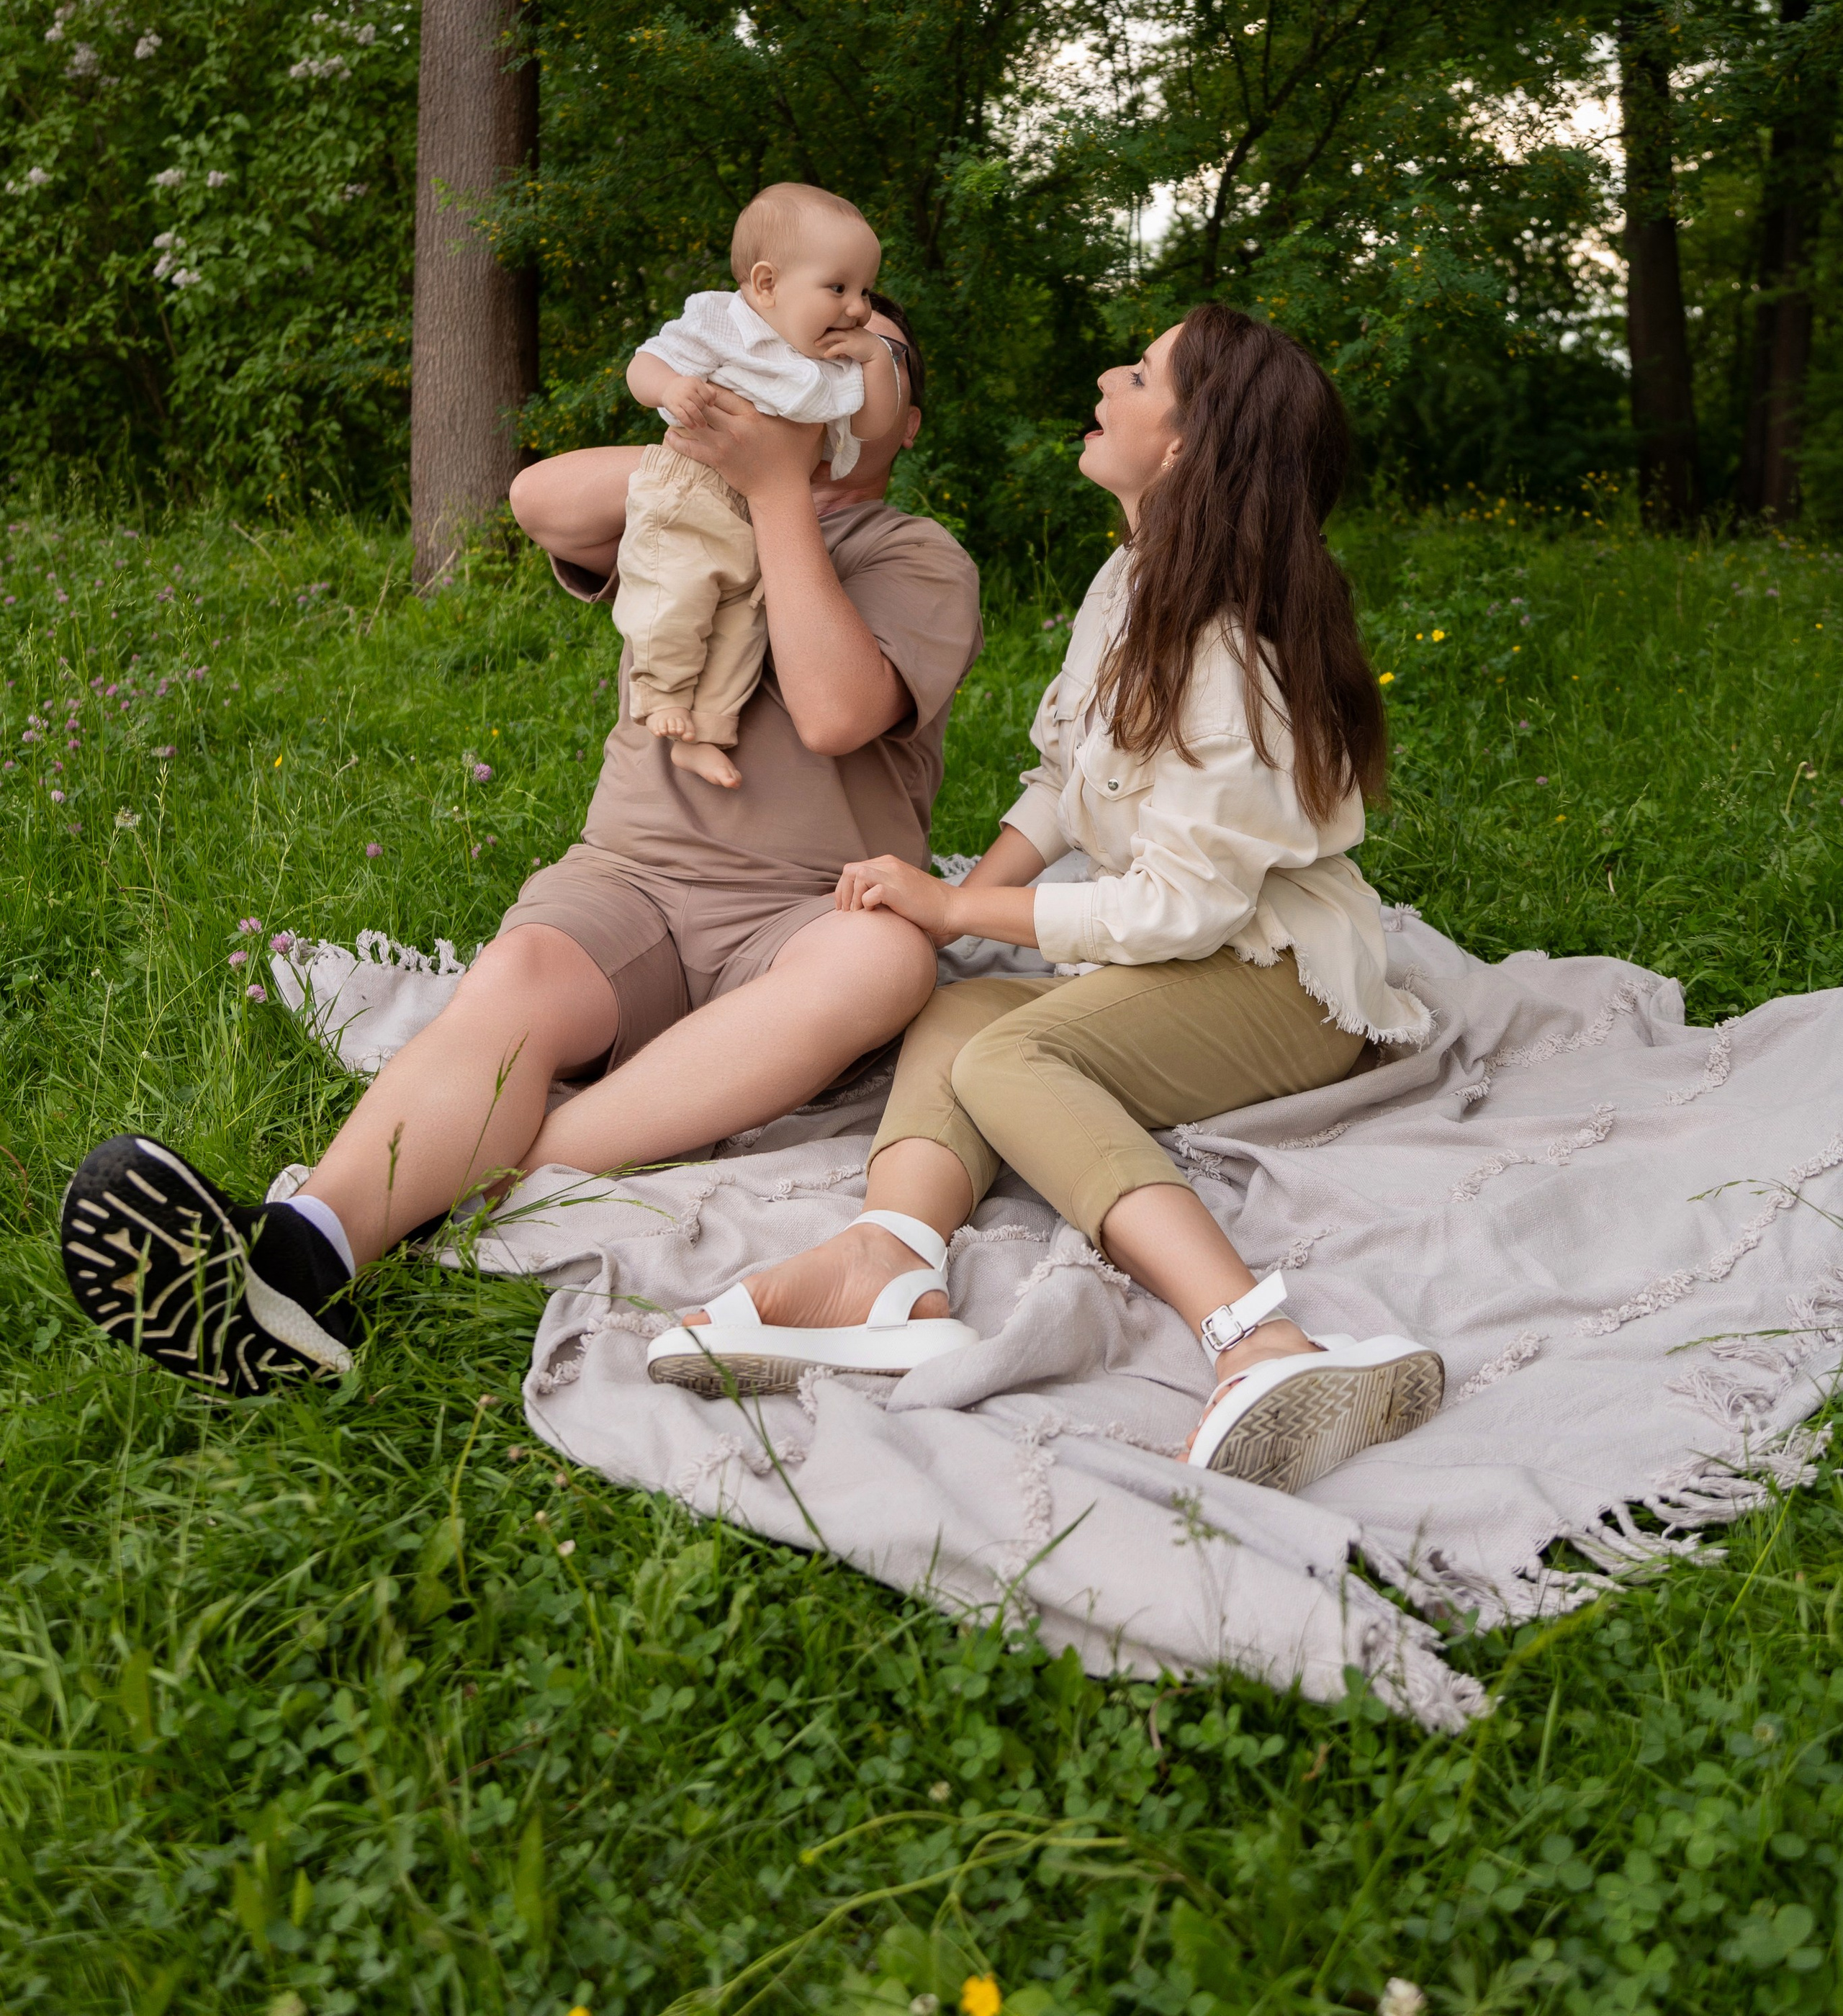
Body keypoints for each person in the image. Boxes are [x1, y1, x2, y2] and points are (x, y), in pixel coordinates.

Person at [59, 294, 983, 1398]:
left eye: (870, 342)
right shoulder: (687, 502)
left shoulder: (918, 556)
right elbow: (538, 499)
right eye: (811, 330)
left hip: (800, 906)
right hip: (633, 878)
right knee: (518, 975)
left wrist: (786, 487)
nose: (836, 339)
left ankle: (481, 1172)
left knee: (885, 957)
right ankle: (300, 1255)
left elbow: (837, 714)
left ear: (910, 423)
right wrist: (715, 435)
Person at [645, 305, 1446, 1495]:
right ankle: (890, 1266)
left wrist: (960, 912)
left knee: (1014, 1062)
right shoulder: (1132, 577)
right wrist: (952, 900)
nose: (1106, 381)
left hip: (1286, 976)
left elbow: (1183, 913)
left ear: (1181, 445)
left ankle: (1258, 1338)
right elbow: (1069, 781)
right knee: (959, 1021)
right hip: (1195, 945)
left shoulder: (1225, 651)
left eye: (1138, 373)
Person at [622, 183, 907, 788]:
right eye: (839, 288)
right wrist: (669, 389)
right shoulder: (724, 325)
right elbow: (643, 363)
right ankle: (662, 693)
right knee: (676, 593)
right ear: (767, 283)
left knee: (743, 627)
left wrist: (877, 359)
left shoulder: (833, 365)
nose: (857, 308)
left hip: (766, 518)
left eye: (864, 291)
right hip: (691, 490)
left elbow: (876, 421)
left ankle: (706, 729)